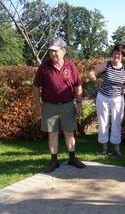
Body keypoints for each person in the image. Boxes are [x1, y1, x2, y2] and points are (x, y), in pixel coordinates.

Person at [33, 39, 86, 173]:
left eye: (56, 51)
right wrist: (38, 105)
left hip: (67, 104)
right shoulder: (44, 67)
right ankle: (54, 161)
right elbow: (35, 86)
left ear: (63, 51)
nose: (53, 54)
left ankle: (72, 158)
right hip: (50, 106)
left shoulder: (70, 66)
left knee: (69, 132)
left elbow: (77, 85)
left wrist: (79, 103)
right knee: (52, 134)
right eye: (51, 51)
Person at [87, 44, 125, 155]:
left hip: (118, 99)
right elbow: (90, 74)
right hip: (103, 97)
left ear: (122, 56)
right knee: (103, 122)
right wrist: (98, 82)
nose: (116, 55)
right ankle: (104, 148)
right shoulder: (107, 65)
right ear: (112, 53)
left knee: (117, 123)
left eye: (119, 54)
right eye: (115, 53)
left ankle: (117, 149)